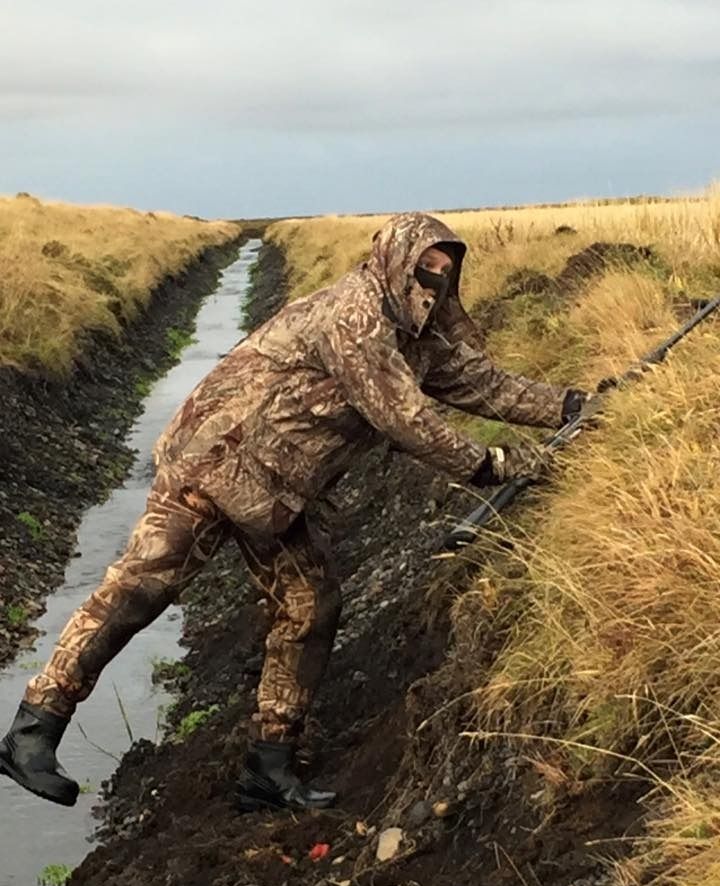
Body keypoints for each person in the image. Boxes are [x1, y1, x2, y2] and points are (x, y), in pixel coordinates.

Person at [0, 213, 589, 811]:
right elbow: (403, 419)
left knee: (311, 604)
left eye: (444, 270)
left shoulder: (418, 331)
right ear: (394, 259)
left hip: (278, 491)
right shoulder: (355, 316)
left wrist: (572, 406)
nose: (433, 282)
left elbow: (481, 383)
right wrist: (491, 463)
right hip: (214, 461)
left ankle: (268, 768)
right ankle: (32, 732)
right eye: (424, 268)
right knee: (136, 593)